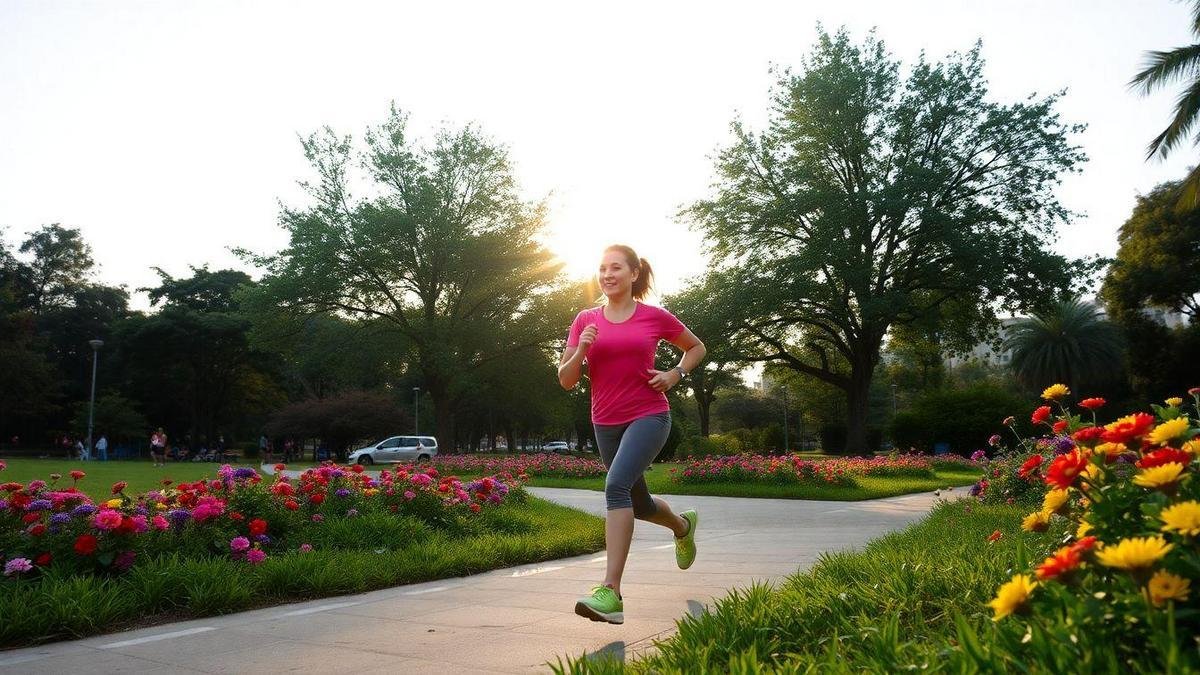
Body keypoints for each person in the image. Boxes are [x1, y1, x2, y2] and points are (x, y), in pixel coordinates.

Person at [558, 244, 706, 625]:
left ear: (634, 273)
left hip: (649, 416)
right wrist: (582, 350)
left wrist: (675, 374)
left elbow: (696, 347)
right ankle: (682, 526)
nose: (607, 275)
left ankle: (611, 593)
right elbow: (565, 379)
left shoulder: (654, 317)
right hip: (605, 422)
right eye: (602, 268)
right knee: (638, 505)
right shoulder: (584, 319)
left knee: (615, 487)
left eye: (616, 268)